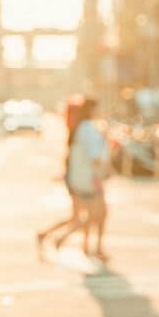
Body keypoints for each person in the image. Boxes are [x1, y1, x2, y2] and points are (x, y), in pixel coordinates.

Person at [54, 96, 109, 261]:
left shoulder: (83, 128)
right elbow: (95, 157)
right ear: (92, 110)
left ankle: (87, 245)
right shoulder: (87, 129)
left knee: (87, 215)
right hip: (90, 178)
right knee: (97, 214)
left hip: (83, 178)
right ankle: (63, 239)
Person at [36, 96, 85, 258]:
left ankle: (48, 235)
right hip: (76, 180)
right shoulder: (77, 132)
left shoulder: (74, 131)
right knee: (79, 218)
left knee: (77, 217)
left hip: (74, 179)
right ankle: (56, 239)